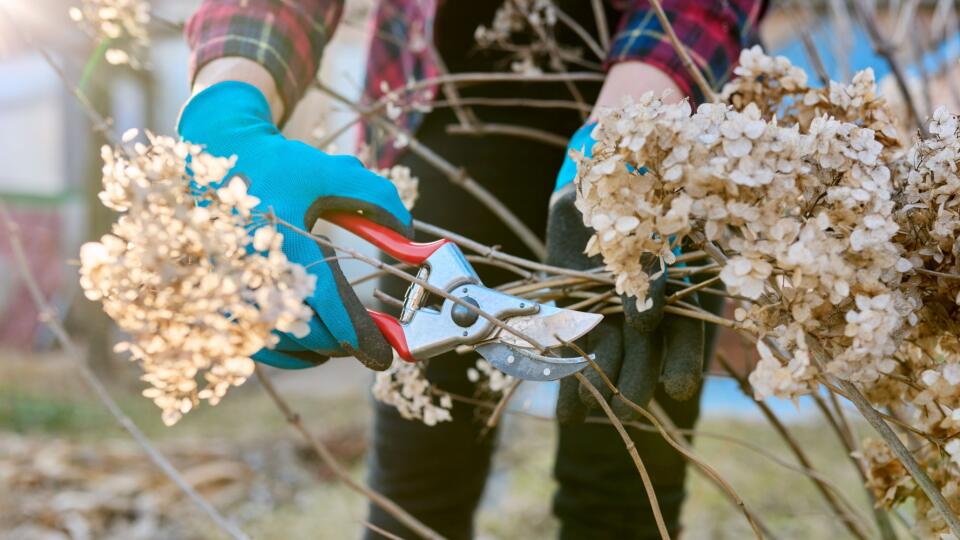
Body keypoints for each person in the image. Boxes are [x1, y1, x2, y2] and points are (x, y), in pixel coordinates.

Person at [177, 1, 766, 537]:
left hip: (662, 106)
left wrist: (639, 126)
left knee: (623, 489)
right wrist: (228, 113)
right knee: (416, 490)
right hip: (448, 97)